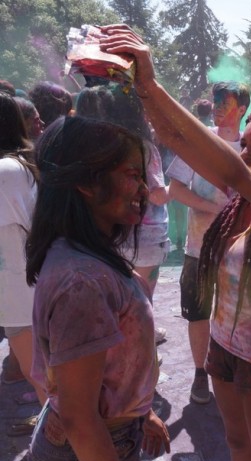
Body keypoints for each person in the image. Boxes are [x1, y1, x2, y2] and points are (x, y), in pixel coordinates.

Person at [99, 24, 251, 461]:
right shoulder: (238, 202)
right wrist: (142, 89)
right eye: (246, 142)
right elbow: (176, 139)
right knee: (238, 444)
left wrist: (152, 82)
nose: (247, 151)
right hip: (222, 343)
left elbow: (233, 172)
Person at [26, 116, 170, 461]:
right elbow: (79, 418)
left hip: (106, 443)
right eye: (132, 175)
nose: (146, 187)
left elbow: (107, 371)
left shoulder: (92, 256)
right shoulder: (83, 283)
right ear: (87, 183)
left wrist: (140, 412)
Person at [166, 81, 251, 404]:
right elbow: (176, 189)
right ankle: (200, 374)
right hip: (199, 247)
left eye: (224, 101)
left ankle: (232, 367)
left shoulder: (250, 146)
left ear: (241, 109)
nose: (217, 106)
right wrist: (215, 207)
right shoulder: (198, 141)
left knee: (237, 312)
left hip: (239, 251)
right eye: (215, 100)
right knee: (198, 313)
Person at [76, 84, 170, 343]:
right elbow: (157, 194)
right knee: (142, 296)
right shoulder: (142, 147)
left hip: (109, 231)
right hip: (146, 232)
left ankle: (118, 342)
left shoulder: (96, 146)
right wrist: (180, 191)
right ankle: (143, 347)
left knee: (114, 294)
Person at [0, 91, 46, 406]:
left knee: (46, 382)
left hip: (24, 295)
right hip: (24, 292)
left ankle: (65, 448)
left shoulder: (6, 171)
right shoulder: (17, 165)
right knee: (45, 380)